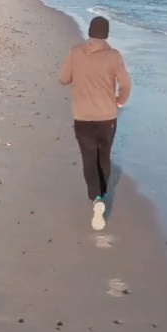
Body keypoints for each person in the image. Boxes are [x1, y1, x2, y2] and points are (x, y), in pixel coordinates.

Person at [57, 15, 132, 230]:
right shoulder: (114, 56)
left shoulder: (75, 52)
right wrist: (119, 101)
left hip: (82, 116)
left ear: (89, 31)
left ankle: (96, 198)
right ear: (106, 34)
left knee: (89, 159)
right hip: (107, 116)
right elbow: (126, 85)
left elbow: (63, 79)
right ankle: (102, 195)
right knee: (104, 156)